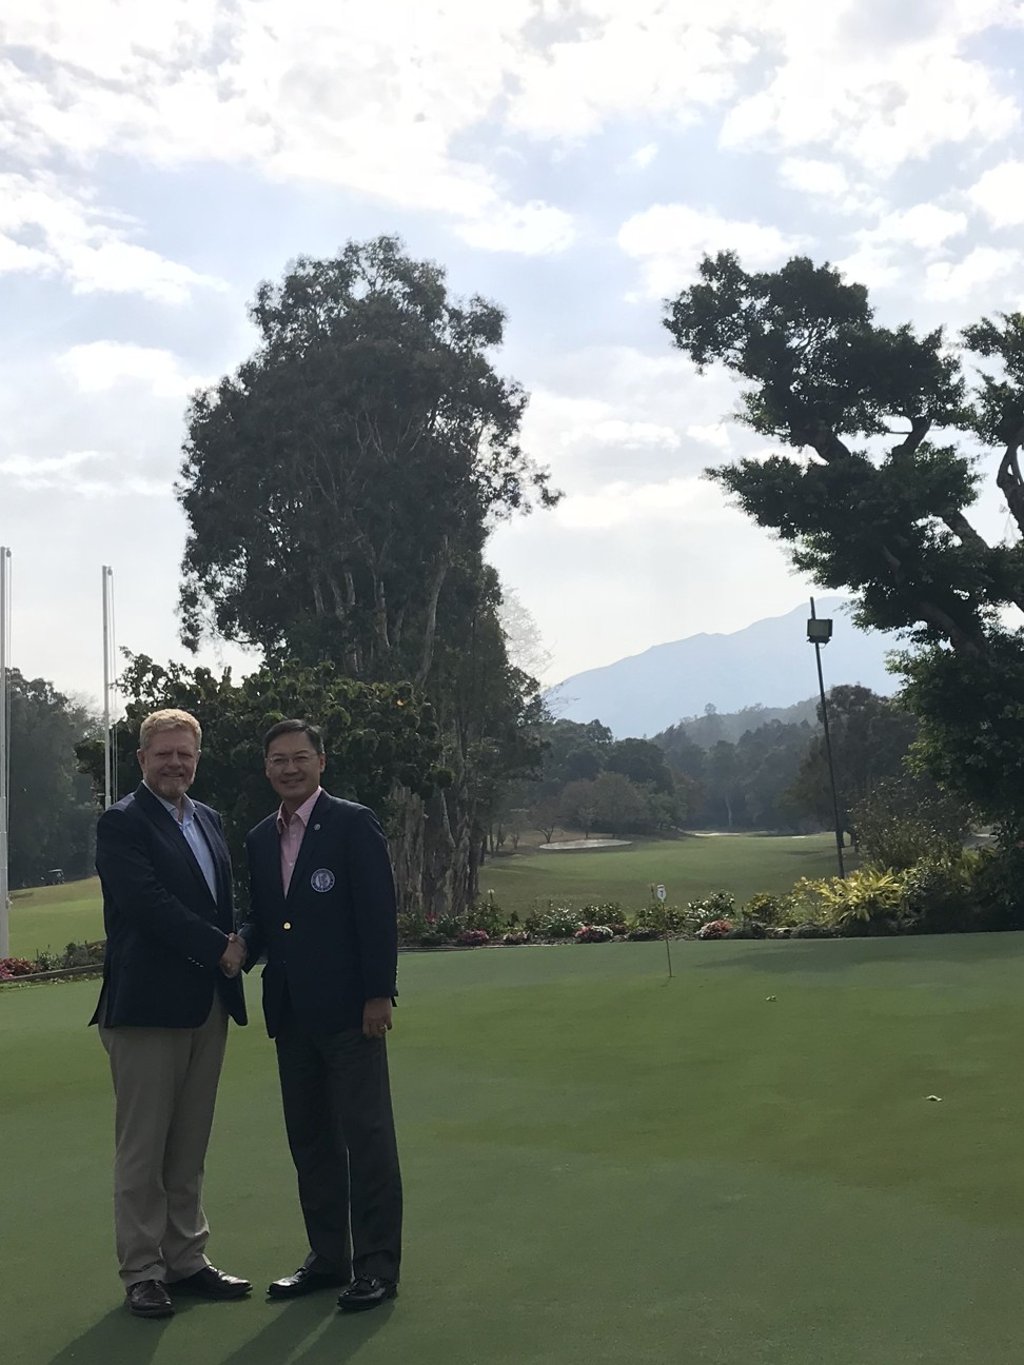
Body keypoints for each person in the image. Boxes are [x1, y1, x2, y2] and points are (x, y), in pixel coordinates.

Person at [238, 719, 402, 1313]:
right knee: (311, 1142)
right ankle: (328, 1259)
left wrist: (379, 994)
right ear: (267, 768)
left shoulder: (353, 823)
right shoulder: (260, 837)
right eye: (278, 760)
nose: (289, 768)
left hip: (351, 1014)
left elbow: (378, 914)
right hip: (291, 1015)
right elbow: (265, 916)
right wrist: (239, 946)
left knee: (368, 1139)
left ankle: (377, 1266)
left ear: (321, 762)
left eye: (300, 757)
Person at [91, 708, 251, 1319]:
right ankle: (143, 1271)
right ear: (142, 759)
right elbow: (146, 903)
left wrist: (238, 942)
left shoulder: (207, 819)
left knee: (188, 1146)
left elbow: (222, 902)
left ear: (197, 758)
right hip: (146, 1010)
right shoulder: (122, 823)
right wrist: (220, 946)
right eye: (164, 754)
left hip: (205, 1004)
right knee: (143, 1151)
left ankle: (185, 1259)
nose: (175, 763)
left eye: (185, 754)